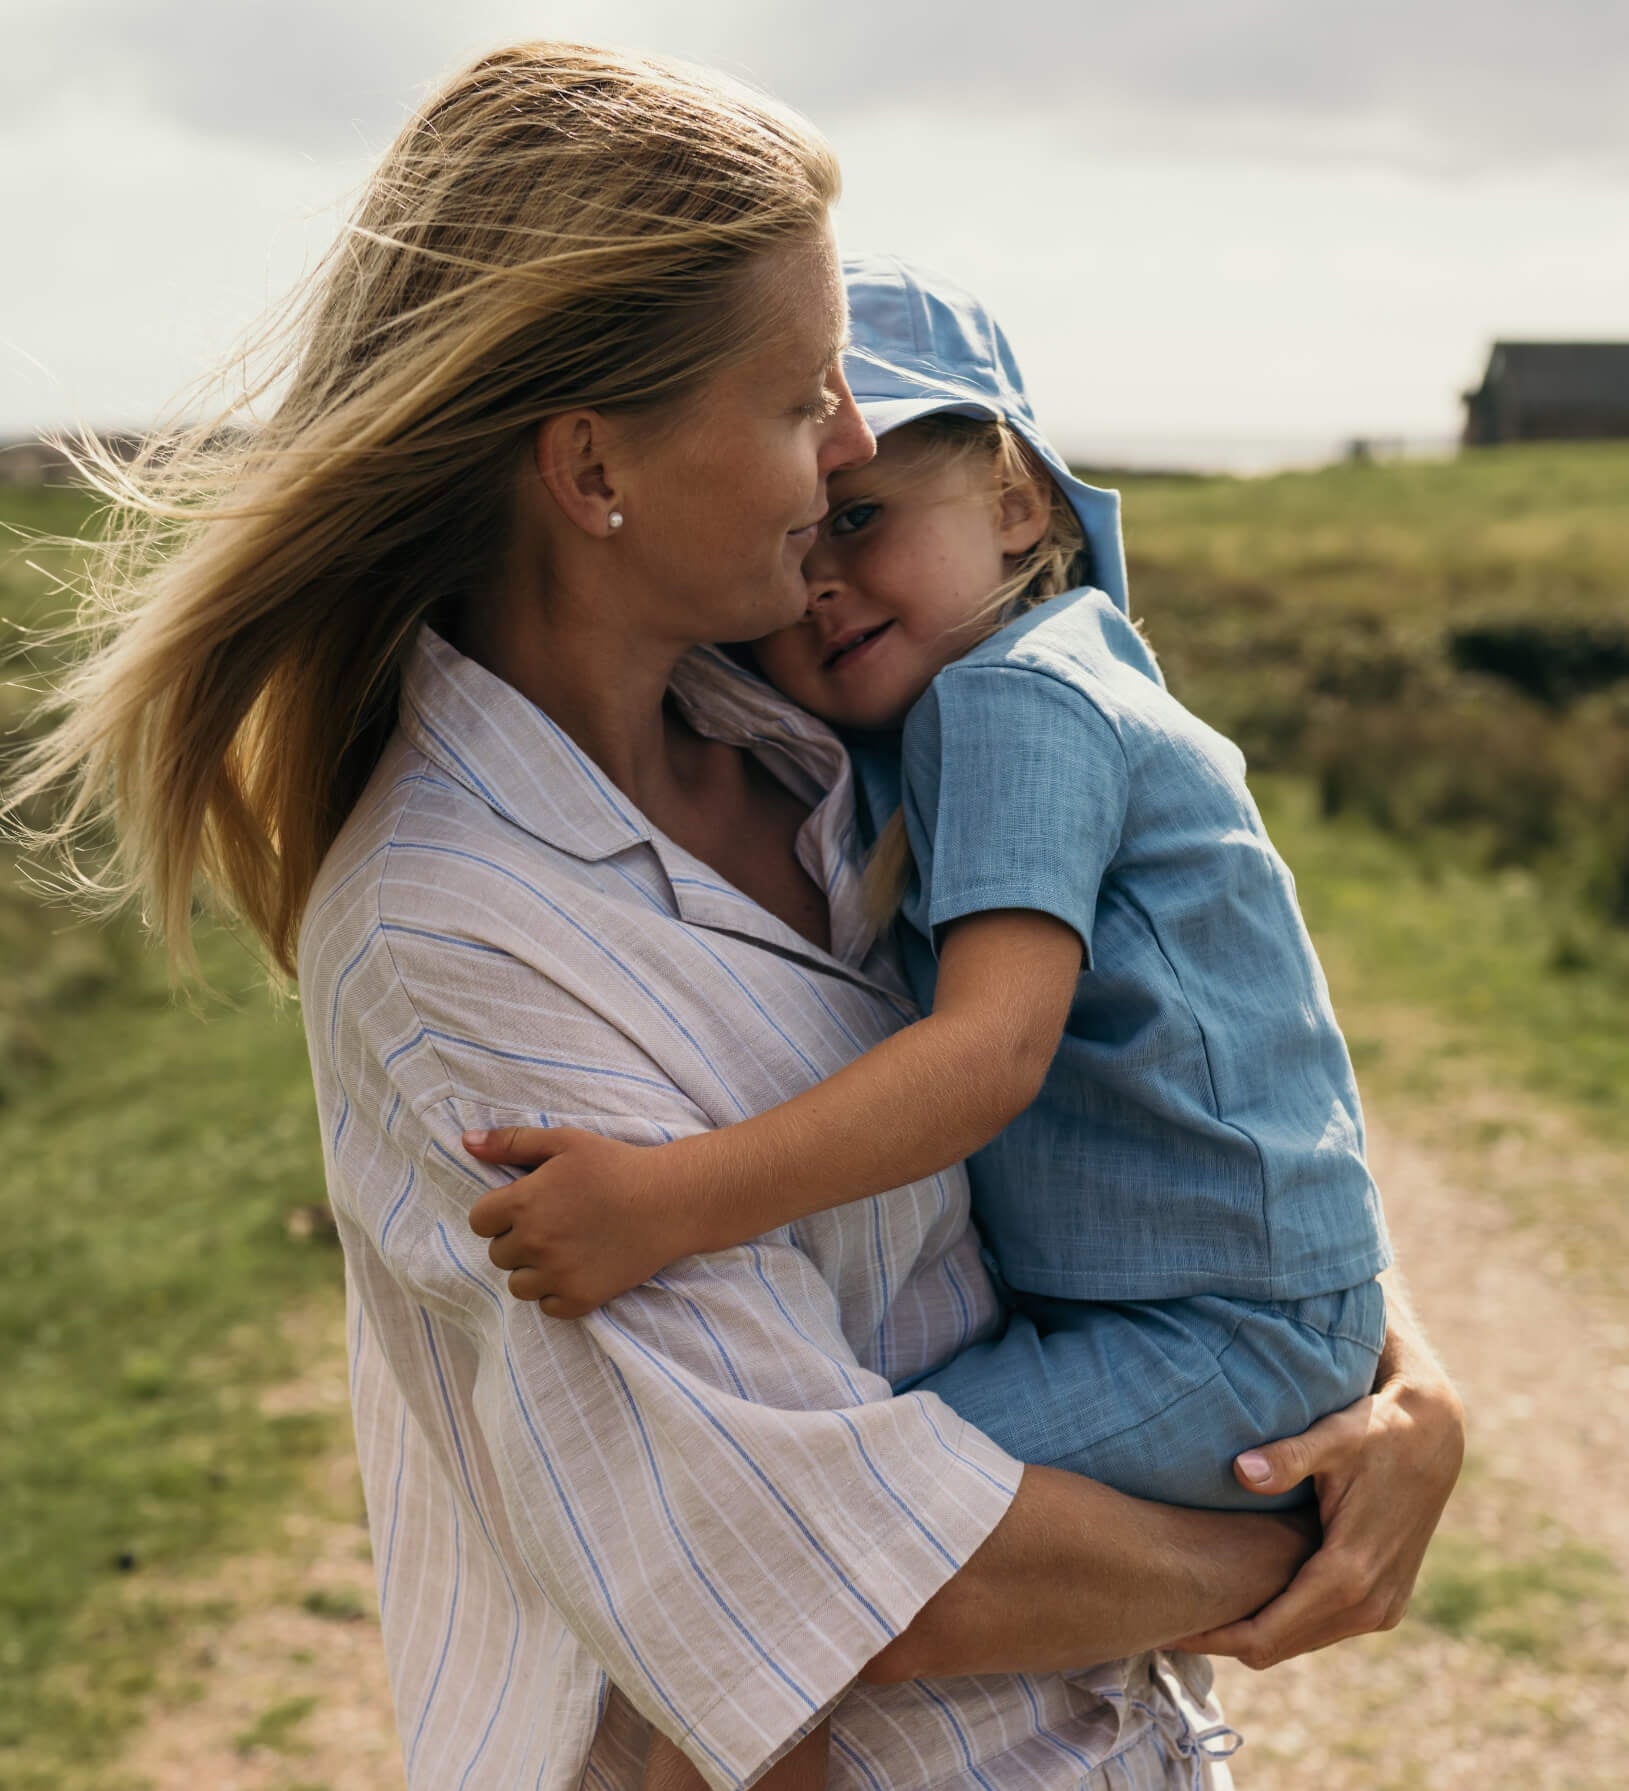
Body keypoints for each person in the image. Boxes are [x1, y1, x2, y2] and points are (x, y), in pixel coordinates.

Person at [8, 42, 1464, 1791]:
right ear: (591, 465)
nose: (843, 438)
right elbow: (807, 1563)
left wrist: (1398, 1378)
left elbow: (1176, 1097)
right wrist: (1295, 1547)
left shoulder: (817, 735)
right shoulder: (451, 934)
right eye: (799, 406)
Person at [464, 256, 1392, 1518]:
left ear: (1015, 501)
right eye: (796, 544)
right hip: (1200, 1309)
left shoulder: (1014, 701)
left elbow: (990, 1052)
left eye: (860, 519)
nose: (819, 586)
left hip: (1211, 1335)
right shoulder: (1003, 690)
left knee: (831, 1511)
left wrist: (665, 1203)